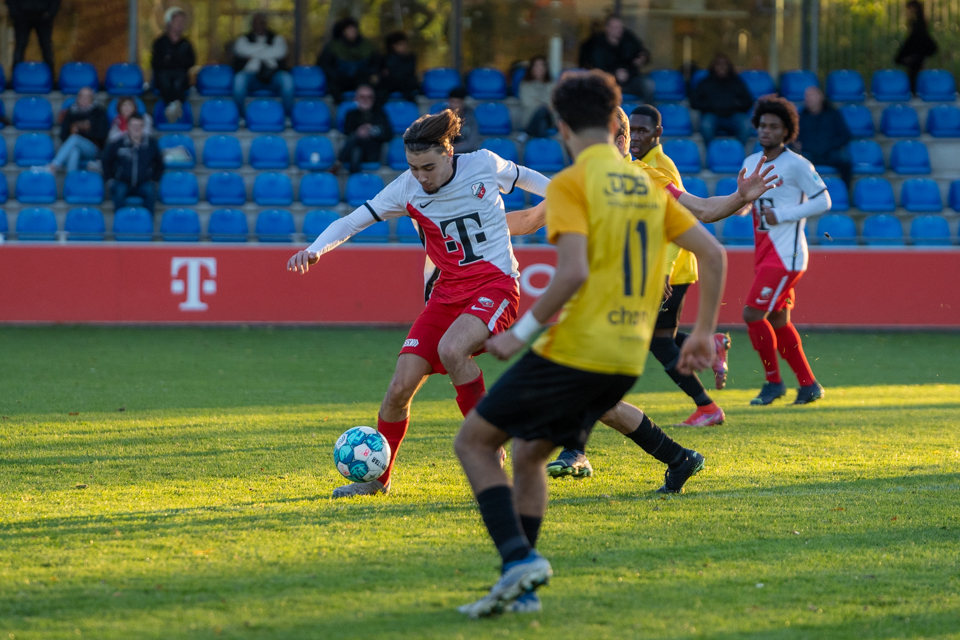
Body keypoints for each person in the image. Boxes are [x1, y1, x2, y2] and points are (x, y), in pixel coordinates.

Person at [452, 70, 727, 618]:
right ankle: (522, 588)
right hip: (625, 358)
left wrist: (521, 333)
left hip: (577, 349)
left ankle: (515, 561)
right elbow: (715, 254)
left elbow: (572, 270)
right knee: (529, 456)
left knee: (474, 443)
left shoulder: (573, 183)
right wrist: (699, 333)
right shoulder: (646, 181)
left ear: (560, 127)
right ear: (614, 124)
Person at [287, 109, 551, 499]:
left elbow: (530, 180)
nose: (421, 176)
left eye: (427, 167)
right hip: (446, 294)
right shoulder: (406, 188)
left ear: (448, 153)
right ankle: (379, 479)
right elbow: (352, 221)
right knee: (398, 389)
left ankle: (490, 448)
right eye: (413, 167)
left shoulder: (483, 164)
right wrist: (314, 249)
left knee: (452, 349)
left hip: (495, 285)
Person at [543, 105, 779, 482]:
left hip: (627, 304)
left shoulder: (646, 176)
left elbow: (700, 210)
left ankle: (578, 451)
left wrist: (739, 197)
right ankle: (676, 458)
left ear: (620, 141)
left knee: (577, 387)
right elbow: (530, 218)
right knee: (596, 399)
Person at [739, 95, 830, 406]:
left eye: (774, 126)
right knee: (778, 320)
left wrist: (787, 214)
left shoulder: (797, 164)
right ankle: (808, 385)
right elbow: (746, 201)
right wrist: (740, 204)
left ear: (786, 131)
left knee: (752, 314)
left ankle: (773, 382)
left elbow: (824, 200)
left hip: (787, 256)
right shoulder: (751, 162)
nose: (766, 130)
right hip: (764, 251)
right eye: (762, 125)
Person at [578, 15, 653, 102]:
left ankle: (646, 113)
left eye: (620, 27)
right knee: (596, 89)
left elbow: (643, 53)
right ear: (607, 28)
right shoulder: (597, 44)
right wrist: (614, 74)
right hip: (607, 82)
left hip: (630, 80)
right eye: (615, 27)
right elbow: (596, 67)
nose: (619, 30)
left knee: (648, 85)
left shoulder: (629, 38)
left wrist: (642, 58)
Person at [101, 113, 164, 214]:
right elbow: (106, 161)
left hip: (144, 182)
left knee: (150, 191)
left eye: (139, 126)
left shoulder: (151, 144)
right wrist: (110, 179)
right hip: (122, 182)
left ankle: (148, 224)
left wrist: (155, 179)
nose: (137, 129)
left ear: (143, 127)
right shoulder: (118, 143)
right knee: (119, 192)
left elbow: (160, 163)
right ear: (128, 127)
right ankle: (119, 224)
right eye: (134, 126)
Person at [232, 13, 294, 115]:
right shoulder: (243, 39)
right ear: (252, 24)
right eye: (256, 23)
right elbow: (240, 49)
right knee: (239, 80)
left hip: (273, 76)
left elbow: (281, 52)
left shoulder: (277, 38)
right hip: (251, 76)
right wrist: (268, 50)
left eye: (262, 22)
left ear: (266, 24)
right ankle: (240, 116)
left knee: (287, 80)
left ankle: (287, 116)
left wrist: (252, 52)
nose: (259, 25)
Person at [690, 53, 755, 146]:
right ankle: (713, 152)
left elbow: (748, 101)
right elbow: (694, 102)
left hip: (733, 116)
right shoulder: (705, 82)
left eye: (724, 64)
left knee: (746, 125)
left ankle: (738, 151)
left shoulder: (737, 82)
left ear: (729, 67)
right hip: (713, 115)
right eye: (718, 64)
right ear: (713, 66)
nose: (721, 67)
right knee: (706, 126)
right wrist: (711, 105)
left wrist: (735, 105)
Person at [795, 86, 852, 186]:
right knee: (798, 164)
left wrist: (833, 145)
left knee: (845, 161)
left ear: (820, 97)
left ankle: (846, 191)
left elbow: (845, 135)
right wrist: (797, 144)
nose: (808, 99)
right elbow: (793, 136)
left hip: (830, 153)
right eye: (806, 96)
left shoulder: (833, 114)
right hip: (809, 154)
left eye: (811, 95)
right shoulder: (801, 116)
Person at [318, 16, 380, 104]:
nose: (352, 32)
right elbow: (326, 65)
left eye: (353, 29)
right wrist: (335, 75)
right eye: (348, 29)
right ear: (343, 31)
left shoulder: (368, 46)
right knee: (333, 87)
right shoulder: (333, 47)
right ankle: (342, 109)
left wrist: (371, 74)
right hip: (340, 79)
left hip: (362, 79)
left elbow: (376, 64)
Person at [333, 84, 393, 174]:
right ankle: (355, 181)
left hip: (373, 151)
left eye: (369, 97)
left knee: (355, 139)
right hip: (354, 149)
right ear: (356, 98)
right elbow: (346, 131)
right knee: (356, 150)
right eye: (362, 97)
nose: (366, 100)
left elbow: (388, 134)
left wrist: (372, 131)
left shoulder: (380, 114)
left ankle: (338, 163)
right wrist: (359, 132)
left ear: (373, 99)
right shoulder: (351, 114)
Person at [151, 6, 196, 124]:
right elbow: (156, 63)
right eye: (178, 21)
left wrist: (170, 61)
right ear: (169, 22)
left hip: (180, 78)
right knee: (164, 77)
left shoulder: (186, 43)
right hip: (163, 78)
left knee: (180, 77)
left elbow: (190, 62)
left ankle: (173, 106)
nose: (180, 25)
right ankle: (173, 105)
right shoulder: (160, 42)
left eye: (182, 22)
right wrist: (176, 62)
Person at [48, 87, 109, 173]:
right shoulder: (71, 112)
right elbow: (63, 135)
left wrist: (81, 130)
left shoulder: (99, 112)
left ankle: (54, 166)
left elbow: (102, 134)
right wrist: (73, 130)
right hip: (73, 146)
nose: (85, 99)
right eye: (82, 96)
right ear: (78, 97)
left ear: (92, 98)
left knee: (75, 138)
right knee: (74, 151)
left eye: (88, 96)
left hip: (94, 149)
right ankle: (71, 179)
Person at [895, 0, 938, 93]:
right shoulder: (916, 28)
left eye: (910, 10)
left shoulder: (919, 29)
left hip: (917, 67)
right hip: (914, 66)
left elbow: (930, 47)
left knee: (917, 89)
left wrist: (915, 57)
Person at [6, 0, 57, 69]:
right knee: (19, 47)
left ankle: (51, 76)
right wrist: (15, 13)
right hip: (22, 17)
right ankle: (15, 75)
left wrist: (50, 12)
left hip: (43, 17)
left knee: (46, 47)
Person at [518, 56, 555, 139]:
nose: (539, 68)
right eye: (536, 65)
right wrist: (545, 104)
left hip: (549, 117)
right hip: (531, 117)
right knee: (542, 121)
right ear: (531, 68)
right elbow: (527, 103)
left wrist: (538, 101)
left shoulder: (552, 85)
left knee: (543, 111)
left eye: (541, 65)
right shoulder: (525, 85)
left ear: (546, 68)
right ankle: (541, 141)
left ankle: (528, 133)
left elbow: (553, 103)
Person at [376, 31, 419, 104]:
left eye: (405, 44)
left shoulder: (410, 58)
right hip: (389, 85)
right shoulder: (385, 59)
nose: (404, 47)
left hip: (406, 85)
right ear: (393, 46)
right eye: (401, 44)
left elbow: (409, 73)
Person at [447, 87, 480, 154]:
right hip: (444, 154)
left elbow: (471, 143)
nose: (455, 105)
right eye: (453, 102)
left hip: (465, 154)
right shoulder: (441, 117)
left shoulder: (471, 118)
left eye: (458, 102)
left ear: (463, 102)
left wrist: (452, 148)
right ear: (449, 101)